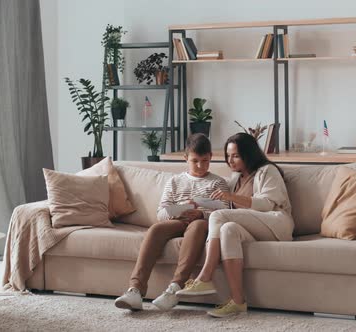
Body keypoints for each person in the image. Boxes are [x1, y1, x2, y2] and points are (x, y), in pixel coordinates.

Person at [176, 133, 294, 318]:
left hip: (276, 223)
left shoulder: (267, 171)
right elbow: (231, 211)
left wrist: (230, 197)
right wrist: (198, 205)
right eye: (228, 156)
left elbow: (266, 204)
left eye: (236, 156)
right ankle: (238, 301)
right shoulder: (234, 179)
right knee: (227, 229)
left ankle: (205, 276)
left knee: (219, 216)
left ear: (249, 154)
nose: (230, 160)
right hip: (253, 227)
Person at [114, 133, 229, 311]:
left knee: (197, 226)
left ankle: (174, 289)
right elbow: (161, 212)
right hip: (178, 220)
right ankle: (135, 290)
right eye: (195, 161)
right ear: (186, 158)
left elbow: (224, 211)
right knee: (156, 229)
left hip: (202, 224)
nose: (200, 166)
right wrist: (178, 211)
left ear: (211, 157)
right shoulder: (175, 181)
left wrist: (200, 214)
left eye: (205, 161)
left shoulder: (217, 183)